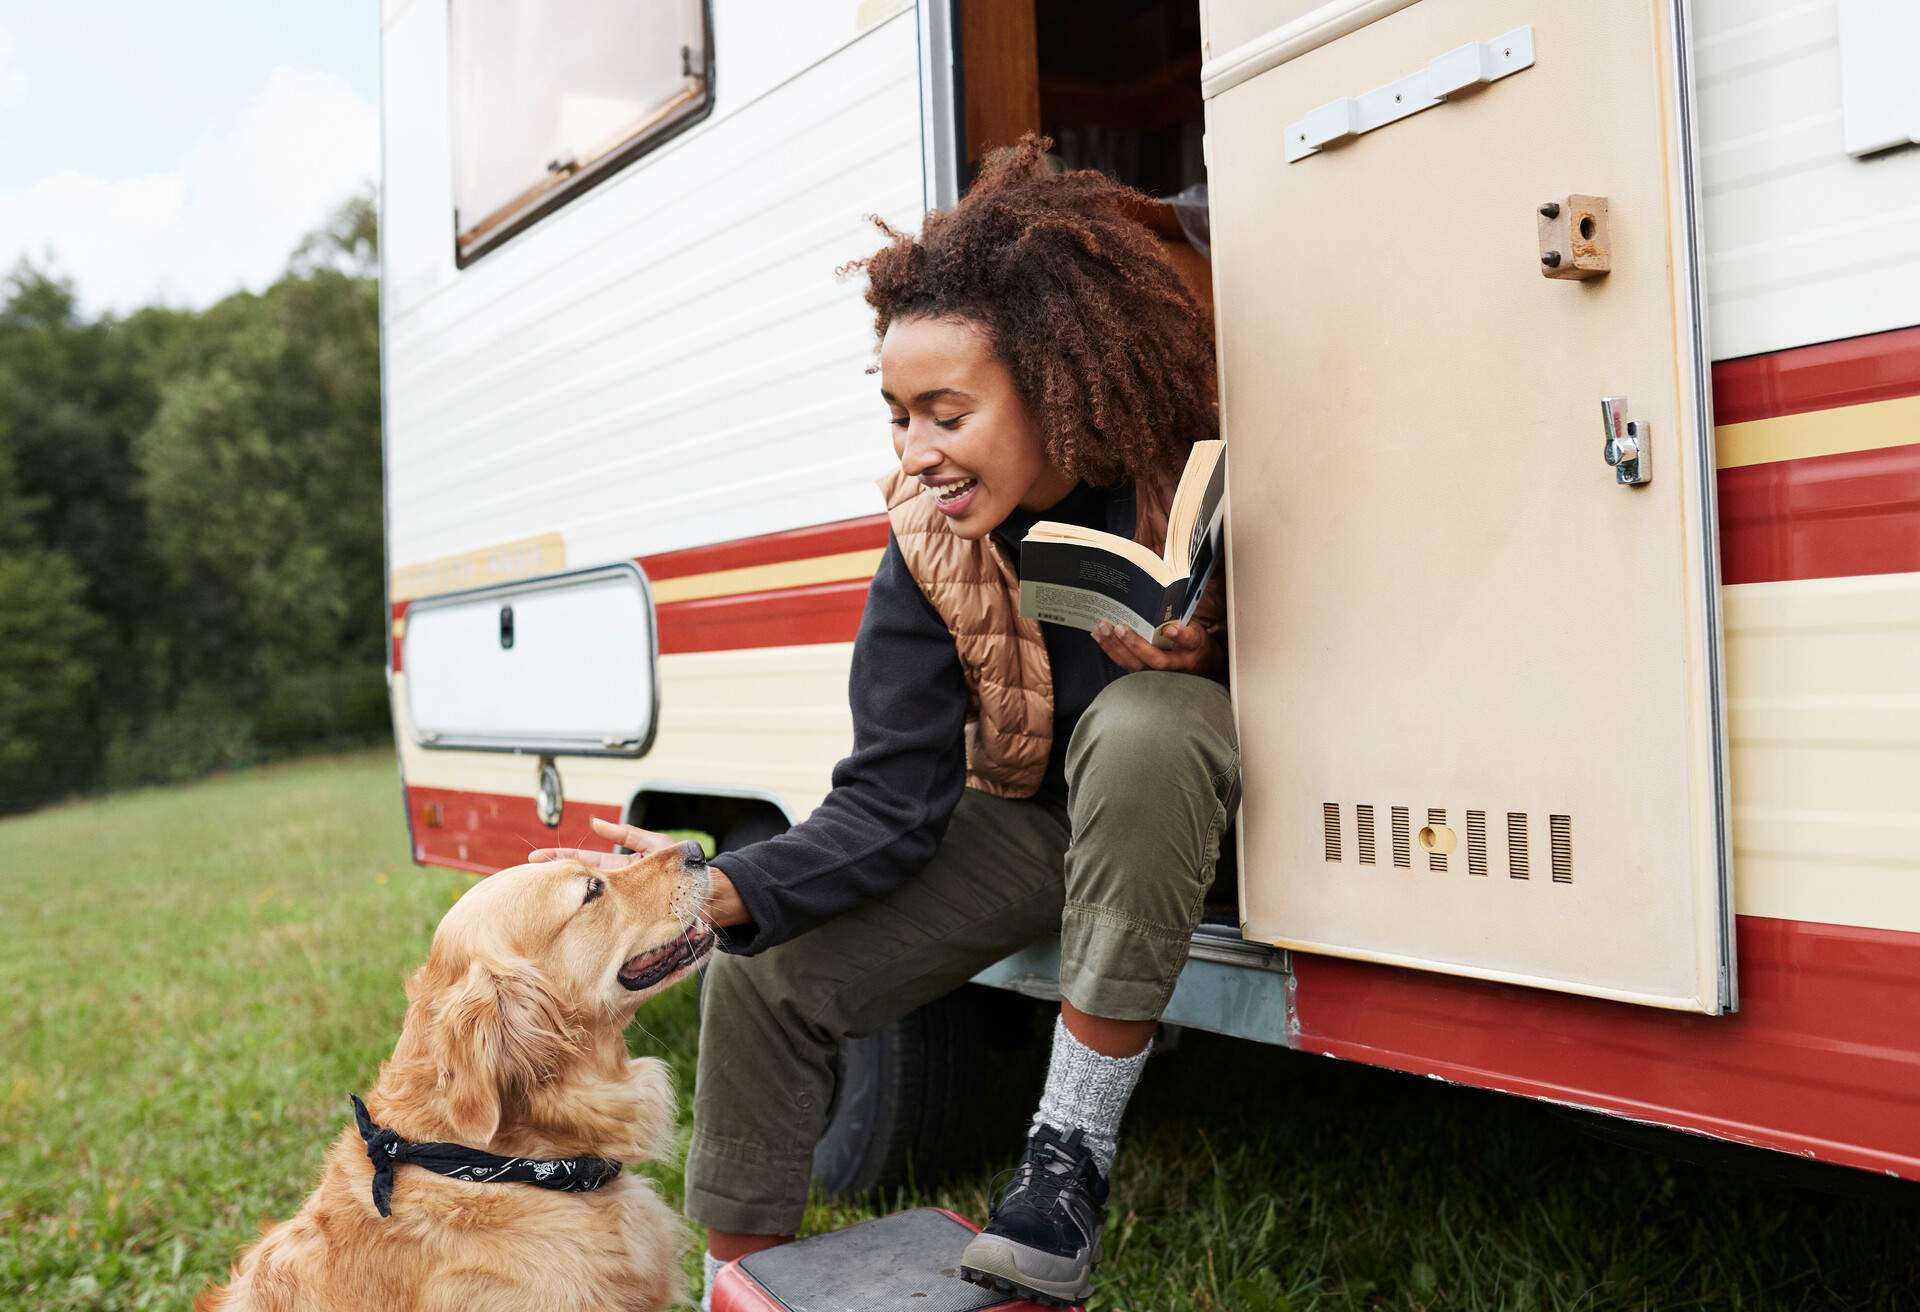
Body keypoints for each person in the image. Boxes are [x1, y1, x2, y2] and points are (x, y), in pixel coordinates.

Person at [538, 134, 1238, 1308]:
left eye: (946, 414)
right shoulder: (923, 542)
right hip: (1039, 825)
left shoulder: (1203, 463)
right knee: (765, 969)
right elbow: (889, 798)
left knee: (1149, 720)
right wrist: (727, 890)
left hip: (1198, 811)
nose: (917, 455)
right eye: (897, 416)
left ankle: (1063, 1163)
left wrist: (1224, 644)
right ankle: (739, 1277)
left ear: (1055, 384)